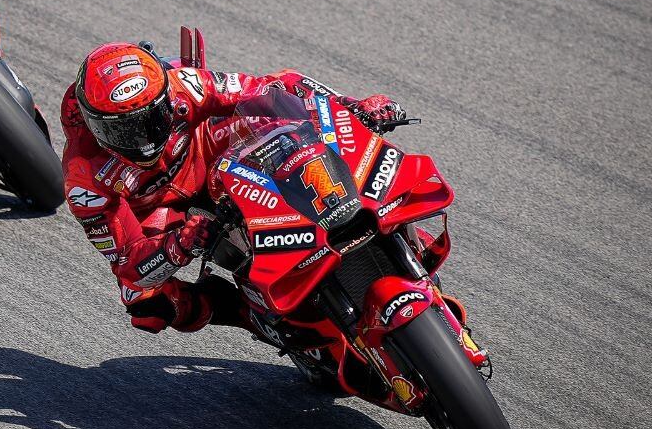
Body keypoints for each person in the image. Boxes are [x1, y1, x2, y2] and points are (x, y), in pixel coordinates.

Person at [60, 40, 405, 334]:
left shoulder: (185, 85)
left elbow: (272, 88)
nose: (144, 140)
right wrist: (178, 246)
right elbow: (128, 265)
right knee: (145, 305)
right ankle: (250, 315)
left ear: (166, 98)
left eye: (152, 120)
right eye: (123, 132)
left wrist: (350, 107)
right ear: (93, 127)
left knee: (280, 100)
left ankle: (359, 204)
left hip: (208, 152)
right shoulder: (84, 181)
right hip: (161, 214)